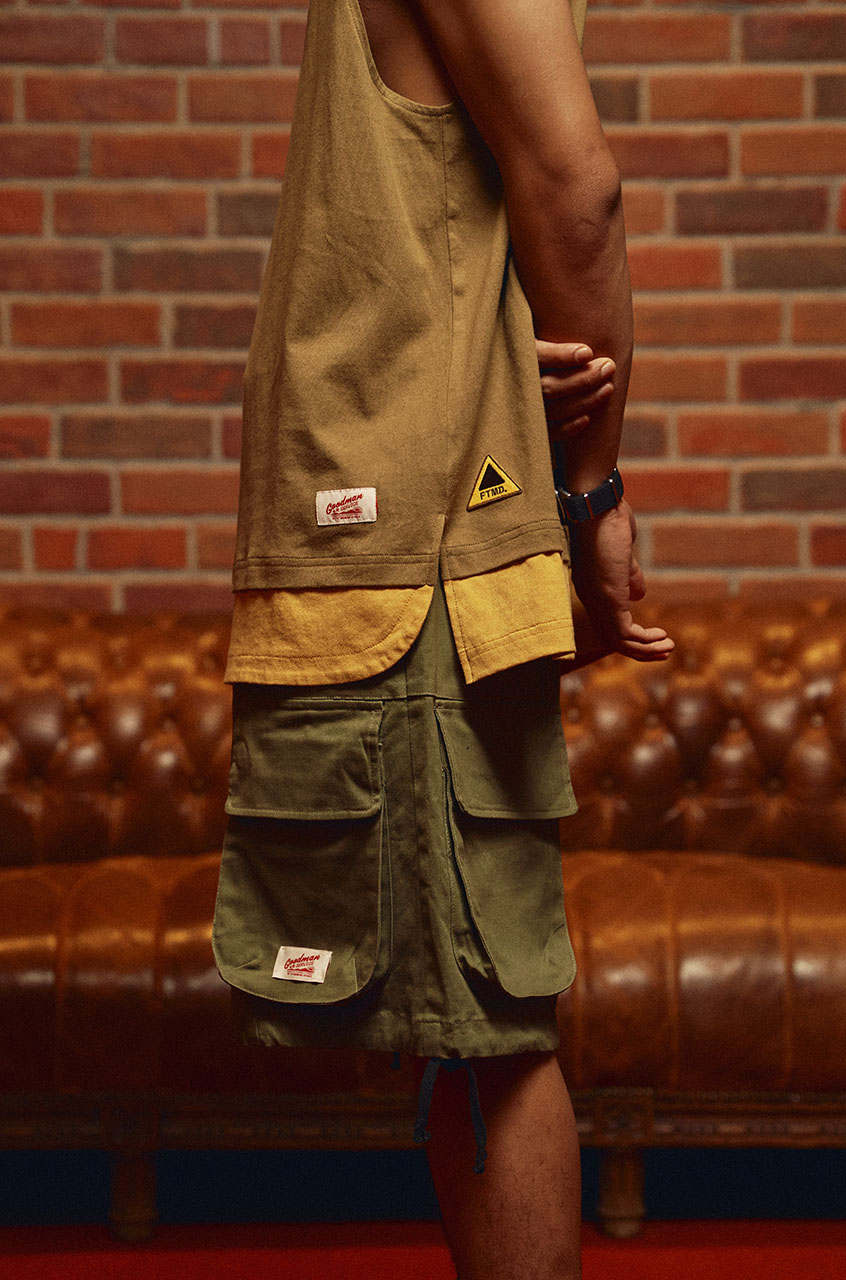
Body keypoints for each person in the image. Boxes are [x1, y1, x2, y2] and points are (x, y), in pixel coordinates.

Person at [212, 2, 674, 1277]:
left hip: (409, 553)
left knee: (485, 1035)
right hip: (391, 543)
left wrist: (587, 496)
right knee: (463, 1032)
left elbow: (574, 189)